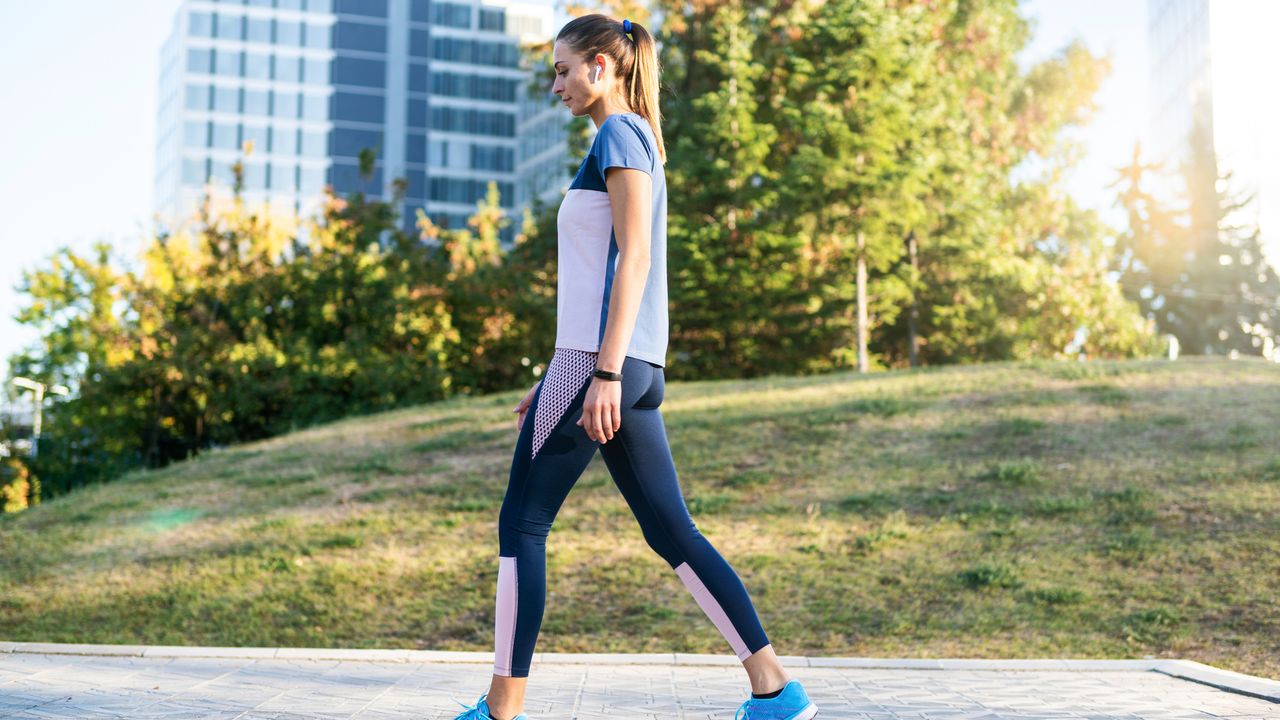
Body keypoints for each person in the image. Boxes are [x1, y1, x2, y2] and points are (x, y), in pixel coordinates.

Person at [450, 14, 818, 720]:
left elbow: (635, 256)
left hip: (602, 364)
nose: (555, 85)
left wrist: (597, 373)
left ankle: (499, 712)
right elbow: (605, 270)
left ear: (601, 66)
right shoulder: (635, 138)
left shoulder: (619, 135)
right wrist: (561, 379)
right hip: (626, 362)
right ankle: (775, 688)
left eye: (563, 70)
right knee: (672, 532)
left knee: (521, 525)